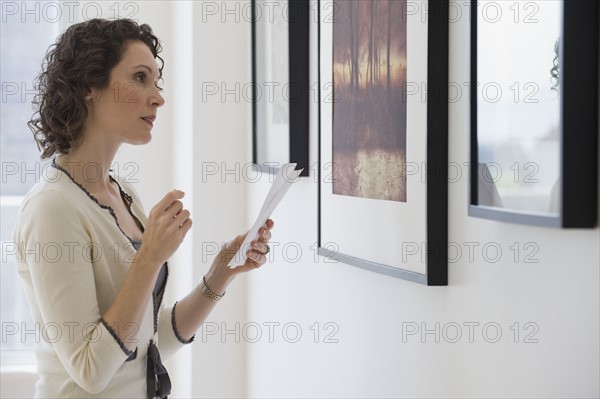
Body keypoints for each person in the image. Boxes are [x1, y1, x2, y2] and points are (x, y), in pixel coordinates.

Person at [13, 18, 274, 398]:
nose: (158, 97)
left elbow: (144, 344)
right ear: (89, 86)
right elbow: (90, 369)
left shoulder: (124, 194)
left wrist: (220, 274)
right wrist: (149, 258)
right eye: (139, 78)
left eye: (156, 81)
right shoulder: (52, 208)